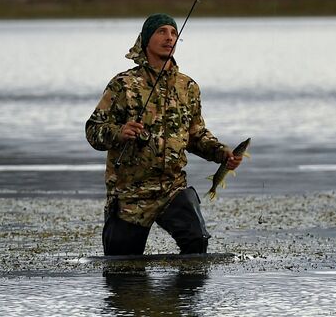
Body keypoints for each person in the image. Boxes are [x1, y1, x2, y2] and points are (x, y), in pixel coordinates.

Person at [86, 13, 243, 256]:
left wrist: (223, 154)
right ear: (146, 39)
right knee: (121, 269)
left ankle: (178, 295)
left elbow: (196, 135)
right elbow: (93, 130)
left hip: (173, 189)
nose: (169, 38)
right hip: (130, 194)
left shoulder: (188, 87)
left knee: (197, 244)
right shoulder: (123, 84)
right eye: (162, 32)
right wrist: (119, 132)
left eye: (173, 33)